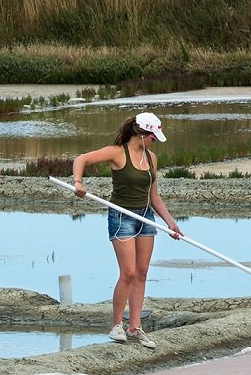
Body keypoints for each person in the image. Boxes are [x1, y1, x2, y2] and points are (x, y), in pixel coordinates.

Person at [72, 112, 182, 349]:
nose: (155, 141)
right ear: (141, 133)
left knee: (142, 273)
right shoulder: (116, 152)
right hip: (122, 217)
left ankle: (134, 327)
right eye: (153, 137)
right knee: (129, 272)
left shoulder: (151, 157)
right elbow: (81, 159)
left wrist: (170, 223)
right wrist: (78, 183)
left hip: (146, 218)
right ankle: (115, 326)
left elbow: (154, 196)